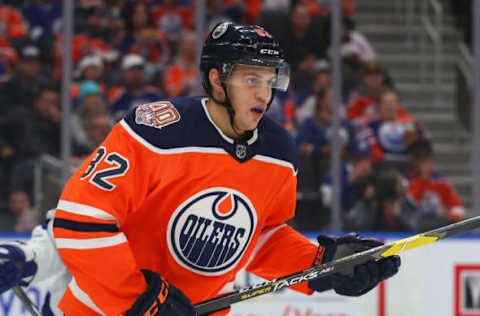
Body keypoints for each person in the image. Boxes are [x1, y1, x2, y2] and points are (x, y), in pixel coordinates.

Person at [0, 22, 400, 316]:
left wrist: (320, 265)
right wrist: (139, 300)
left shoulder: (278, 152)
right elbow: (79, 224)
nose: (265, 93)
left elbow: (257, 237)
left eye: (270, 79)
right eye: (251, 79)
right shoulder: (157, 131)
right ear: (217, 79)